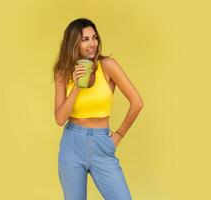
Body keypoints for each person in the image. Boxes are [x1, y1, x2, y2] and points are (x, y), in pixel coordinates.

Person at [52, 18, 144, 200]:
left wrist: (119, 135)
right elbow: (60, 119)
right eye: (85, 39)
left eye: (94, 37)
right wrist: (77, 86)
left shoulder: (107, 66)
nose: (92, 43)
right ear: (73, 43)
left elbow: (137, 102)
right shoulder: (62, 73)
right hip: (72, 144)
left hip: (102, 143)